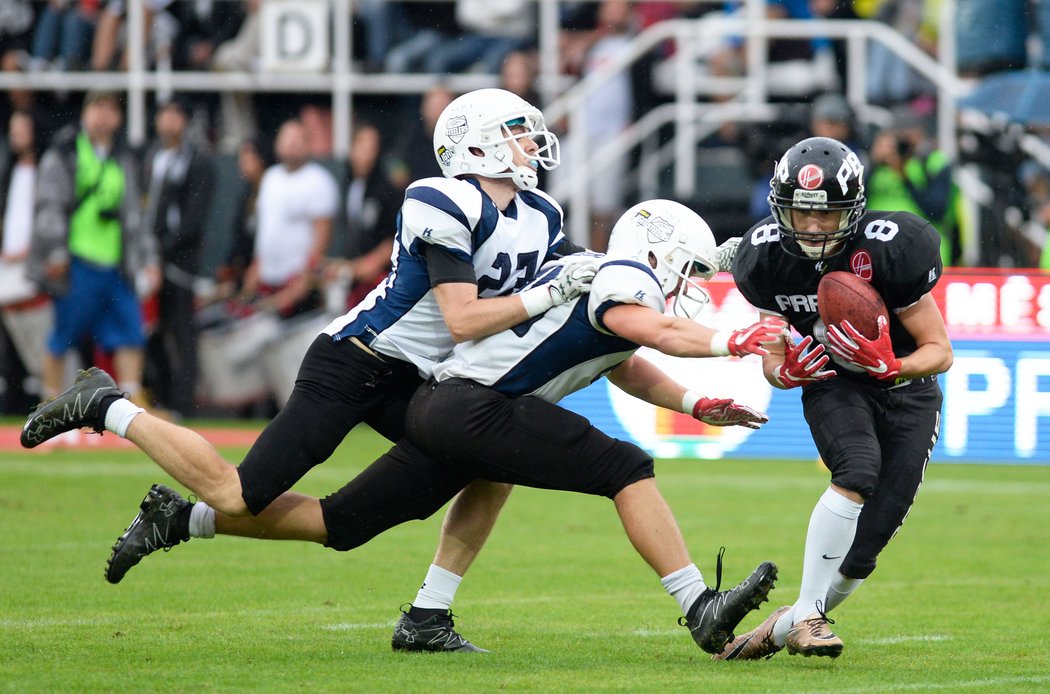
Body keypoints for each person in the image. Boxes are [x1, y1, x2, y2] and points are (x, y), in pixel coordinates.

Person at [25, 199, 786, 657]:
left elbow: (621, 356)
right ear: (661, 252)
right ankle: (696, 605)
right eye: (687, 269)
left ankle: (194, 524)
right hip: (462, 405)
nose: (690, 288)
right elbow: (639, 322)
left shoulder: (616, 281)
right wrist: (731, 342)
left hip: (459, 408)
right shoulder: (624, 277)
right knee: (625, 466)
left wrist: (692, 401)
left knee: (342, 521)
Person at [21, 88, 597, 651]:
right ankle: (107, 405)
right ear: (474, 147)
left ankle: (427, 615)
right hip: (355, 360)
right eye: (514, 132)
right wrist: (552, 294)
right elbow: (465, 318)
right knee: (238, 492)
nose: (530, 143)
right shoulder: (441, 201)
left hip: (418, 379)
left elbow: (577, 270)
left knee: (460, 473)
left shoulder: (540, 214)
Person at [712, 136, 952, 660]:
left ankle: (788, 624)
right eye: (801, 214)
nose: (815, 227)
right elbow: (773, 362)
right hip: (833, 378)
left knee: (869, 543)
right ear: (781, 209)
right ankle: (811, 618)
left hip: (907, 388)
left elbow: (940, 351)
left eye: (829, 215)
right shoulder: (765, 259)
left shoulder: (892, 247)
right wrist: (785, 371)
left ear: (856, 209)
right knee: (857, 471)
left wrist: (893, 366)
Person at [26, 89, 159, 405]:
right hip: (77, 261)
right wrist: (56, 251)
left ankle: (131, 398)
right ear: (85, 113)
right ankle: (48, 402)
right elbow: (50, 207)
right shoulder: (66, 152)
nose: (103, 116)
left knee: (131, 331)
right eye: (97, 107)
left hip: (115, 263)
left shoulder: (123, 158)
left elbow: (135, 218)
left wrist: (148, 259)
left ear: (118, 118)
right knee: (63, 335)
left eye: (110, 108)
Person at [141, 95, 213, 418]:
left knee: (182, 331)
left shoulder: (196, 162)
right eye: (164, 114)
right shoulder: (150, 157)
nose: (169, 121)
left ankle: (183, 403)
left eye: (175, 115)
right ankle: (159, 393)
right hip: (146, 258)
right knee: (149, 329)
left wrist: (164, 249)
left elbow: (193, 219)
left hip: (177, 264)